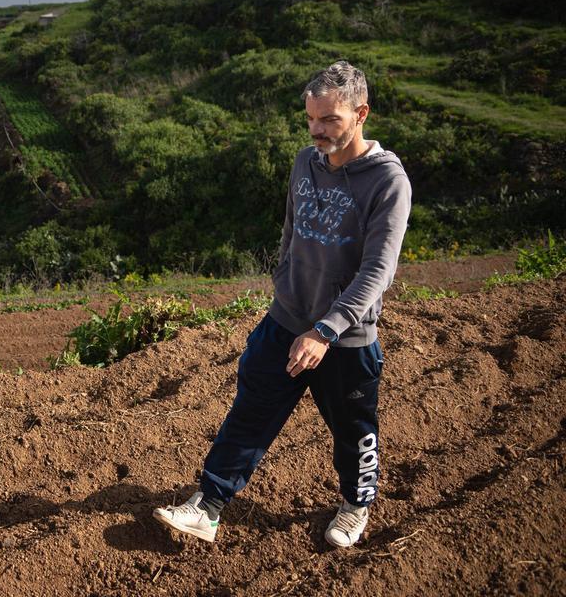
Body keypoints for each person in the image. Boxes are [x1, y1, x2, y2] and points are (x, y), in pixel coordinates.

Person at [153, 60, 411, 548]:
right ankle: (207, 507)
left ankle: (356, 505)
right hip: (286, 322)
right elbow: (291, 231)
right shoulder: (304, 162)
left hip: (346, 339)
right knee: (250, 412)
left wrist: (326, 330)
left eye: (329, 120)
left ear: (361, 114)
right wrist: (285, 287)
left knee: (354, 433)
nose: (317, 130)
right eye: (311, 119)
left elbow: (378, 272)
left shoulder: (387, 182)